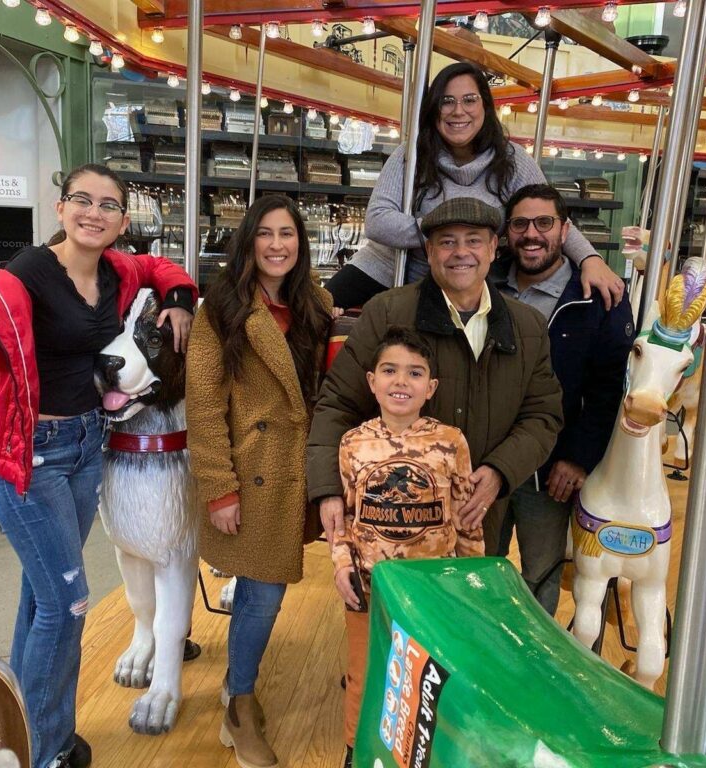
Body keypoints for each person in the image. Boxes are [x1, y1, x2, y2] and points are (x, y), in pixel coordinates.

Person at [0, 163, 197, 768]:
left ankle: (18, 725)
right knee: (68, 602)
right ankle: (46, 744)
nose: (94, 212)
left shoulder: (117, 270)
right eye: (81, 200)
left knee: (41, 596)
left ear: (122, 221)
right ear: (60, 207)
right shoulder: (24, 276)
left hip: (89, 446)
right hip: (30, 452)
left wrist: (181, 297)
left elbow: (159, 268)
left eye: (109, 205)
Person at [309, 196, 563, 561]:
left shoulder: (528, 327)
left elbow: (543, 415)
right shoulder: (387, 313)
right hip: (385, 534)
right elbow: (337, 404)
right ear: (429, 251)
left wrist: (499, 471)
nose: (461, 252)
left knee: (468, 611)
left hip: (476, 520)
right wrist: (328, 490)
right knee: (384, 616)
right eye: (447, 242)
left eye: (473, 240)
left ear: (493, 247)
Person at [186, 194, 333, 768]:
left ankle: (235, 686)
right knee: (265, 592)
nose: (277, 245)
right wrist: (219, 487)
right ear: (248, 242)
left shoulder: (314, 304)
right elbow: (203, 405)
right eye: (266, 234)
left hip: (295, 467)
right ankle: (239, 705)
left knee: (259, 588)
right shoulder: (221, 309)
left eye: (288, 234)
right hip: (250, 472)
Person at [325, 61, 624, 312]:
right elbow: (377, 220)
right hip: (390, 265)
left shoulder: (512, 160)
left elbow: (547, 216)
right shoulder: (412, 153)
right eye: (447, 101)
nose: (458, 111)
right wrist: (442, 232)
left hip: (468, 280)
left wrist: (590, 258)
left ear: (485, 105)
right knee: (319, 309)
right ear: (434, 109)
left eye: (469, 100)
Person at [333, 326, 485, 764]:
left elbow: (465, 515)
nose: (401, 381)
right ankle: (354, 749)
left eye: (415, 373)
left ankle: (421, 752)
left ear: (430, 387)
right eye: (390, 371)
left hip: (431, 590)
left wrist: (468, 579)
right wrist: (341, 565)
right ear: (371, 382)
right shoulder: (352, 443)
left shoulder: (451, 442)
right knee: (363, 674)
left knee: (426, 674)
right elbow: (343, 515)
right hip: (369, 586)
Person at [491, 184, 634, 615]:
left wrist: (578, 459)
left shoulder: (599, 297)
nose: (531, 234)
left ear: (565, 230)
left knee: (541, 575)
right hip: (484, 459)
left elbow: (609, 388)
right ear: (507, 232)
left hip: (549, 470)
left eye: (543, 223)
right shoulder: (484, 282)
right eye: (520, 224)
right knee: (474, 565)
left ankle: (534, 668)